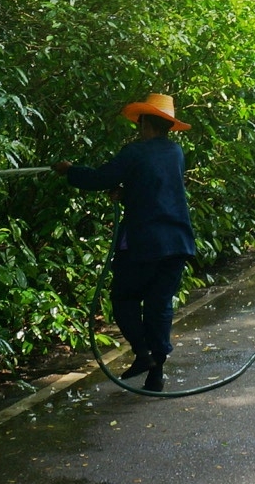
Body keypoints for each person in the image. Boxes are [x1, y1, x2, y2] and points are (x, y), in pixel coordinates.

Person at [53, 93, 197, 392]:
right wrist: (127, 192)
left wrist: (70, 171)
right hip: (177, 242)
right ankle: (156, 372)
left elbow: (99, 179)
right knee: (159, 306)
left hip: (145, 242)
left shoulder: (134, 153)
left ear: (145, 123)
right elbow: (157, 187)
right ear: (167, 126)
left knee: (124, 299)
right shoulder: (176, 153)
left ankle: (143, 354)